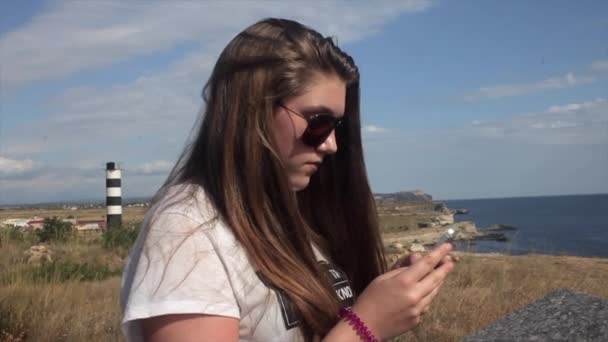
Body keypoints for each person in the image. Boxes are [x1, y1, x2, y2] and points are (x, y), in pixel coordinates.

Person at [120, 18, 454, 342]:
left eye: (336, 127)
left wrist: (382, 298)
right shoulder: (187, 231)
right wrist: (366, 326)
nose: (331, 144)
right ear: (253, 109)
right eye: (318, 121)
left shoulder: (284, 214)